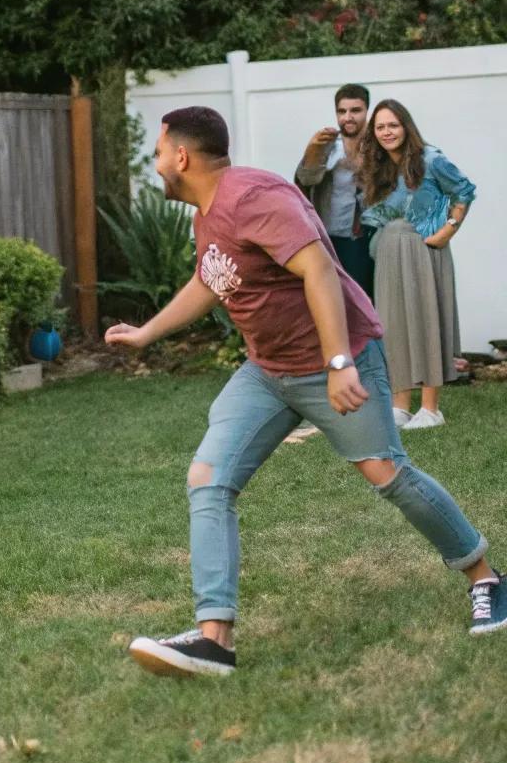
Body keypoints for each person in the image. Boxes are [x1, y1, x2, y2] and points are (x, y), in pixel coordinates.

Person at [105, 105, 504, 679]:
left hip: (335, 362)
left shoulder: (257, 197)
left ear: (183, 157)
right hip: (267, 371)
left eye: (160, 151)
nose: (157, 162)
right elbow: (209, 278)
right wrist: (146, 333)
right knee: (208, 480)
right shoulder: (208, 210)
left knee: (388, 473)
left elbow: (318, 270)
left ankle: (486, 577)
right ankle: (214, 639)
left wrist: (340, 362)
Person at [359, 100, 475, 431]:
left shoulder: (430, 159)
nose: (386, 132)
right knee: (393, 326)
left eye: (392, 125)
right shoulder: (380, 167)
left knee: (425, 321)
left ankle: (430, 408)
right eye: (380, 127)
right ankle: (401, 407)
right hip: (390, 252)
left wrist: (446, 231)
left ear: (406, 126)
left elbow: (464, 192)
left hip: (421, 249)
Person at [295, 82, 373, 298]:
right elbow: (304, 180)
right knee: (334, 299)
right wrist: (312, 150)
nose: (348, 117)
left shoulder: (378, 143)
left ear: (367, 111)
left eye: (355, 110)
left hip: (366, 238)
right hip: (329, 238)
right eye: (342, 111)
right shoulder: (327, 144)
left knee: (365, 299)